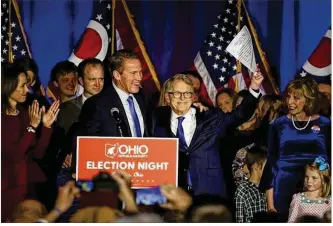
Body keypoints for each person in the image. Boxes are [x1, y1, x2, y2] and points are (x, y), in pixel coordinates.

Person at [150, 70, 263, 197]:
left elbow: (239, 115)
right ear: (167, 97)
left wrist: (254, 87)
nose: (182, 98)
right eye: (177, 94)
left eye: (187, 93)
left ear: (193, 97)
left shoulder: (211, 117)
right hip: (173, 192)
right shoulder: (156, 119)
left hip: (209, 189)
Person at [265, 78, 331, 219]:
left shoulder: (325, 124)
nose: (290, 102)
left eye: (296, 98)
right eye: (288, 97)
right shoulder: (278, 124)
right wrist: (270, 205)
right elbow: (270, 163)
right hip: (283, 189)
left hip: (319, 191)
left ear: (309, 99)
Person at [1, 63, 60, 222]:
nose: (27, 90)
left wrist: (46, 127)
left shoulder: (24, 113)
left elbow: (37, 153)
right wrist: (32, 127)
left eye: (27, 85)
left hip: (30, 186)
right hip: (7, 189)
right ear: (7, 86)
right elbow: (15, 156)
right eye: (22, 86)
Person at [79, 49, 148, 137]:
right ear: (117, 75)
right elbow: (90, 143)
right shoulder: (96, 104)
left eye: (140, 72)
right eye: (133, 73)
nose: (139, 78)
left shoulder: (141, 97)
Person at [57, 58, 105, 134]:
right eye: (92, 79)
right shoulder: (66, 109)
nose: (97, 84)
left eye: (101, 79)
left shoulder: (112, 107)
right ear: (81, 81)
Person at [288, 157, 331, 222]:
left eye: (314, 178)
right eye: (306, 177)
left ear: (323, 180)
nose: (309, 180)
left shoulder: (329, 201)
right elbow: (291, 221)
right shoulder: (298, 199)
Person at [234, 146, 267, 223]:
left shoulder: (270, 186)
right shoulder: (243, 190)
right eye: (267, 166)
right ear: (256, 166)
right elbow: (239, 220)